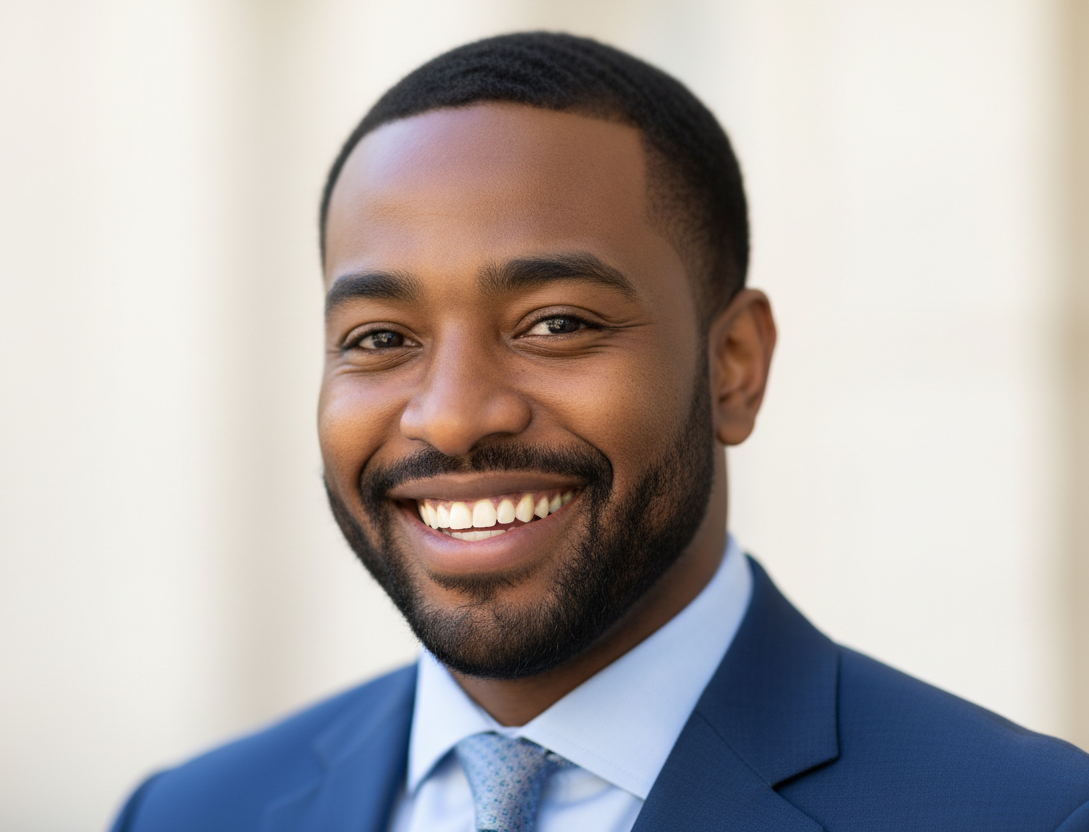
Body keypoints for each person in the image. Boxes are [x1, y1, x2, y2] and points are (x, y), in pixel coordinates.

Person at [109, 32, 1089, 831]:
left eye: (557, 323)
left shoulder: (1025, 814)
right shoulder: (190, 812)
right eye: (379, 337)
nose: (450, 415)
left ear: (735, 366)